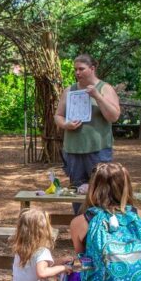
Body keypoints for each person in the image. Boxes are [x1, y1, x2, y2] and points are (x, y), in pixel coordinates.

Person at [55, 55, 121, 209]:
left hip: (98, 150)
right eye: (75, 69)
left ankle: (101, 227)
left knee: (101, 190)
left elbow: (114, 116)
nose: (77, 72)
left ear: (92, 69)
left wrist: (97, 96)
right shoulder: (69, 90)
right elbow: (58, 116)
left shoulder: (104, 88)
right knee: (78, 192)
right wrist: (66, 124)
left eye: (81, 69)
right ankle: (80, 228)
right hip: (73, 150)